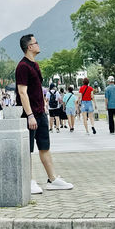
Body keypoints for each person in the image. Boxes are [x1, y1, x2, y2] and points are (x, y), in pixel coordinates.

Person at [16, 34, 73, 194]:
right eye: (36, 43)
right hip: (29, 115)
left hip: (41, 113)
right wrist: (29, 115)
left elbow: (38, 90)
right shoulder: (22, 66)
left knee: (44, 147)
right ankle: (29, 181)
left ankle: (52, 179)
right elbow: (22, 91)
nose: (38, 45)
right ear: (29, 47)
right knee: (27, 149)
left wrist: (44, 108)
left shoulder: (35, 65)